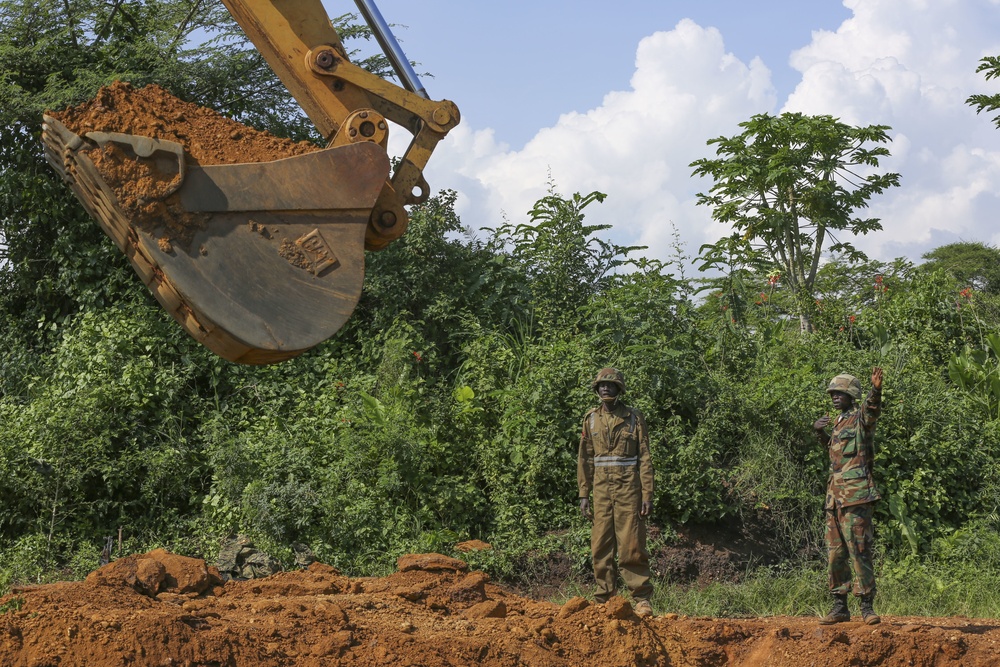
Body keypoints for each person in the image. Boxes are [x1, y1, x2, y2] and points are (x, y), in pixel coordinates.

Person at [577, 367, 655, 618]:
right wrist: (584, 494)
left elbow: (644, 457)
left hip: (628, 491)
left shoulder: (633, 417)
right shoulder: (590, 419)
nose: (605, 388)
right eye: (602, 385)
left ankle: (641, 599)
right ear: (597, 389)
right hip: (600, 492)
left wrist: (647, 494)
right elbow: (585, 460)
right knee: (600, 546)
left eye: (611, 385)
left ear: (619, 389)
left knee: (632, 545)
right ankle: (604, 599)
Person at [813, 367, 883, 625]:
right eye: (832, 393)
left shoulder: (860, 419)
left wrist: (875, 391)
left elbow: (871, 410)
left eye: (840, 393)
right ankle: (840, 607)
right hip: (834, 499)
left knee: (859, 550)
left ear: (851, 395)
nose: (834, 397)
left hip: (856, 498)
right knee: (836, 554)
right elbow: (837, 455)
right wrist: (820, 433)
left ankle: (866, 606)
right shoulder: (838, 423)